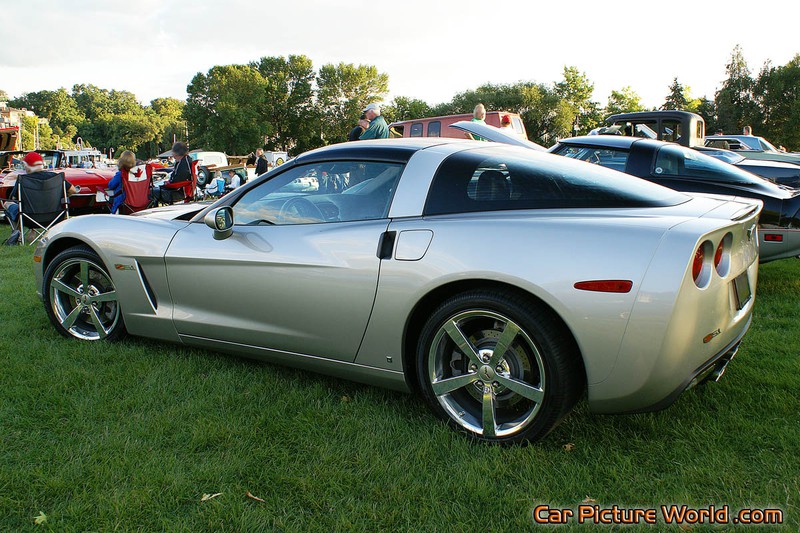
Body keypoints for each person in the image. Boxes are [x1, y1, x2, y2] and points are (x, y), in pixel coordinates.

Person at [3, 152, 79, 243]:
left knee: (8, 203)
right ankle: (30, 232)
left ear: (27, 166)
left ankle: (17, 233)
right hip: (55, 216)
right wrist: (60, 196)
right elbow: (73, 190)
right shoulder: (56, 177)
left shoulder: (23, 179)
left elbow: (14, 199)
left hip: (29, 218)